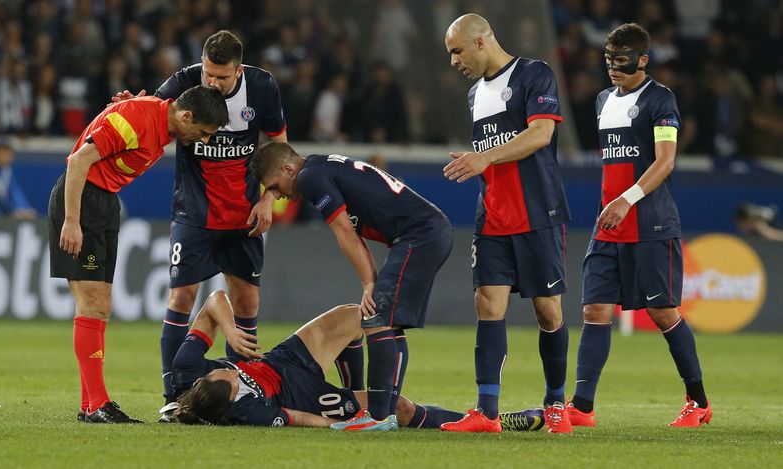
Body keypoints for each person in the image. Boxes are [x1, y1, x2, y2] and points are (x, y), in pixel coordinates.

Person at [111, 30, 289, 420]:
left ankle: (239, 386)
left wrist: (267, 198)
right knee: (181, 298)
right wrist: (127, 106)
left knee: (246, 301)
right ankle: (174, 393)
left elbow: (278, 146)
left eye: (222, 77)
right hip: (194, 213)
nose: (213, 82)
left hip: (244, 216)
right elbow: (149, 112)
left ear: (238, 70)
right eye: (209, 73)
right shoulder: (186, 82)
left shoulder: (261, 87)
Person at [48, 85, 228, 423]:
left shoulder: (154, 120)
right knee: (92, 302)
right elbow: (78, 160)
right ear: (186, 116)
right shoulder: (140, 119)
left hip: (102, 203)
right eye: (202, 132)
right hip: (83, 200)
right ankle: (96, 404)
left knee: (101, 304)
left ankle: (92, 405)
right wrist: (72, 220)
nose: (202, 140)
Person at [250, 142, 454, 431]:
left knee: (377, 318)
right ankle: (385, 414)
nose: (278, 194)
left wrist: (370, 282)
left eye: (274, 186)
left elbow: (344, 232)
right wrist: (369, 281)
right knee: (383, 320)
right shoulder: (320, 168)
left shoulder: (309, 178)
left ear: (287, 169)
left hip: (420, 234)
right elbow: (355, 235)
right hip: (424, 233)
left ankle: (379, 416)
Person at [568, 23, 712, 429]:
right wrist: (612, 205)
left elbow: (665, 162)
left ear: (643, 60)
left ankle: (697, 401)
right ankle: (581, 406)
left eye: (622, 60)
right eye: (608, 59)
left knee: (663, 312)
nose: (613, 67)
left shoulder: (660, 99)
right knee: (595, 309)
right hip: (608, 223)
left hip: (649, 223)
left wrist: (626, 199)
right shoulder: (601, 101)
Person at [440, 14, 572, 434]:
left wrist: (483, 158)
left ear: (481, 42)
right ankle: (487, 412)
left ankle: (555, 404)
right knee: (487, 303)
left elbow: (540, 135)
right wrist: (480, 161)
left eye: (457, 51)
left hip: (537, 212)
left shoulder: (535, 74)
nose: (453, 61)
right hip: (493, 215)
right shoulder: (475, 93)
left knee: (548, 312)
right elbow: (493, 149)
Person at [171, 290, 544, 432]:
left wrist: (231, 331)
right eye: (233, 379)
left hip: (284, 359)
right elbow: (297, 418)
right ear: (233, 398)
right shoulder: (248, 413)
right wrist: (339, 424)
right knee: (398, 407)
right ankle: (486, 422)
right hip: (301, 395)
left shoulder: (190, 372)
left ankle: (355, 392)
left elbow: (214, 300)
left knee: (356, 315)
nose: (227, 368)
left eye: (222, 370)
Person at [0, 141, 37, 220]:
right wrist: (12, 211)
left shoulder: (7, 171)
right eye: (5, 154)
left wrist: (24, 209)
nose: (9, 158)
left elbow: (15, 193)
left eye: (9, 155)